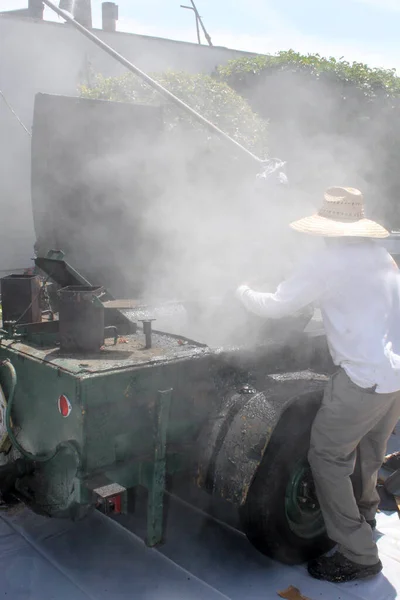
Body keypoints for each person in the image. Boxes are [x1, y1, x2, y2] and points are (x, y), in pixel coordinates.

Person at [236, 186, 400, 583]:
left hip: (361, 378)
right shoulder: (382, 256)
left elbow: (276, 305)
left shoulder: (327, 262)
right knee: (370, 451)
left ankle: (359, 555)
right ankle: (362, 515)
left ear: (327, 228)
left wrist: (240, 290)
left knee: (327, 458)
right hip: (394, 376)